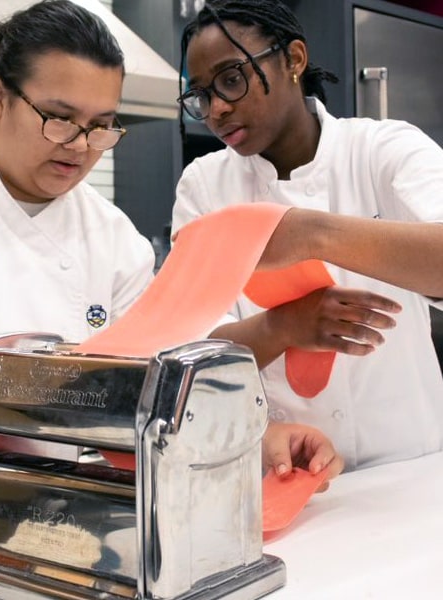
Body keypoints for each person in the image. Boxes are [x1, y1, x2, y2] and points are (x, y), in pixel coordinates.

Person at [0, 0, 341, 560]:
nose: (81, 146)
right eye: (60, 118)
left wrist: (253, 442)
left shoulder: (112, 241)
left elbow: (154, 380)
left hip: (41, 544)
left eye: (102, 126)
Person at [173, 0, 443, 473]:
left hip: (408, 470)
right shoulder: (204, 186)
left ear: (294, 59)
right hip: (289, 474)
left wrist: (311, 233)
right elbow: (189, 352)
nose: (216, 109)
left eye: (232, 79)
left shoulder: (383, 149)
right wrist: (283, 326)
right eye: (200, 95)